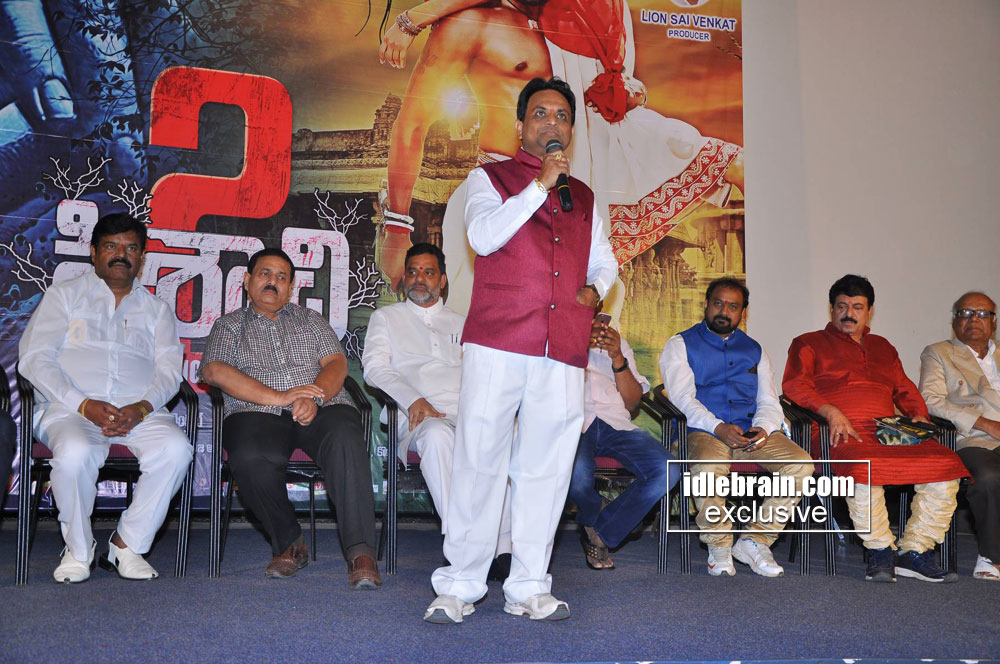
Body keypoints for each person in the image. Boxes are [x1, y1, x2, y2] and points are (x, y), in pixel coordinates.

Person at [374, 0, 743, 319]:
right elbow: (412, 124)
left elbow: (609, 100)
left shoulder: (575, 29)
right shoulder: (471, 24)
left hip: (568, 195)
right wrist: (397, 229)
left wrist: (625, 89)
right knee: (475, 337)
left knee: (733, 163)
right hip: (499, 196)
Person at [424, 78, 617, 624]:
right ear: (519, 125)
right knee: (479, 460)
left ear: (571, 130)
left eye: (561, 115)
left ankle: (529, 585)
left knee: (547, 470)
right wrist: (538, 187)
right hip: (500, 339)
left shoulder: (585, 197)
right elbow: (484, 237)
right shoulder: (487, 179)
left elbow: (604, 258)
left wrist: (596, 288)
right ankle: (460, 584)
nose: (552, 123)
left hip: (563, 346)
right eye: (540, 113)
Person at [18, 212, 192, 582]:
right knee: (75, 452)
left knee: (176, 449)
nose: (121, 255)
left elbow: (169, 371)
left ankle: (126, 545)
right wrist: (82, 403)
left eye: (131, 248)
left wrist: (142, 407)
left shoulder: (157, 309)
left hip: (139, 412)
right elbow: (35, 359)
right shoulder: (64, 296)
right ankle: (79, 550)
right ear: (94, 252)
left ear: (141, 257)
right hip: (70, 409)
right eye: (111, 246)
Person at [201, 247, 380, 588]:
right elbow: (214, 370)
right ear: (247, 280)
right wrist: (281, 397)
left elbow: (336, 363)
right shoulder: (229, 326)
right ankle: (289, 543)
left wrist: (315, 396)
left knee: (346, 438)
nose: (273, 282)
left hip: (322, 406)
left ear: (291, 287)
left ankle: (361, 552)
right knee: (249, 456)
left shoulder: (310, 320)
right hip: (257, 411)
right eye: (265, 274)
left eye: (282, 277)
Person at [783, 274, 968, 583]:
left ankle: (914, 551)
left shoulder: (882, 346)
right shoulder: (808, 343)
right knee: (863, 466)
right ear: (832, 309)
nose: (849, 314)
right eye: (842, 306)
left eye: (857, 307)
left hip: (887, 431)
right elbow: (795, 386)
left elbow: (904, 389)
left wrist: (919, 416)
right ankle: (880, 549)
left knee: (946, 464)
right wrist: (830, 411)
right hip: (836, 432)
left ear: (869, 311)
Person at [362, 242, 512, 565]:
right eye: (412, 272)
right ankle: (462, 543)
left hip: (468, 414)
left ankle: (503, 546)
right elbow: (374, 369)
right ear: (403, 279)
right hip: (417, 419)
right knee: (436, 434)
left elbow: (484, 374)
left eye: (428, 272)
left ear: (442, 281)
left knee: (505, 437)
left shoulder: (463, 323)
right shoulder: (386, 318)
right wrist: (412, 398)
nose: (419, 278)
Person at [659, 277, 813, 577]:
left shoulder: (755, 350)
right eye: (718, 303)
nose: (724, 311)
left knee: (801, 465)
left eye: (733, 306)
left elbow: (769, 400)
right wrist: (717, 427)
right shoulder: (680, 345)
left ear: (743, 312)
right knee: (708, 467)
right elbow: (682, 399)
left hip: (749, 431)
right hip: (702, 431)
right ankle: (718, 545)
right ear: (706, 304)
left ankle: (756, 540)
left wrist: (763, 428)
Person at [568, 311, 678, 570]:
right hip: (572, 421)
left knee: (668, 469)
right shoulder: (555, 337)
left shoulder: (618, 343)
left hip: (615, 423)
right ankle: (598, 508)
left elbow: (631, 403)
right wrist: (577, 343)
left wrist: (618, 357)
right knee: (577, 475)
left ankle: (602, 531)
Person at [919, 291, 1000, 580]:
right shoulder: (939, 353)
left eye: (982, 314)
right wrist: (985, 424)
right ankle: (992, 557)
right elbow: (930, 400)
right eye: (965, 313)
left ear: (993, 322)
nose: (973, 319)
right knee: (989, 478)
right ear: (954, 321)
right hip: (974, 437)